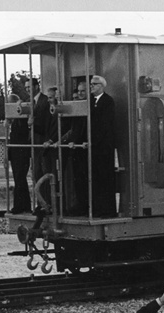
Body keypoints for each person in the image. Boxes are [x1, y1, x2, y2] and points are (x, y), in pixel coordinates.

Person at [89, 75, 117, 218]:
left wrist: (94, 140)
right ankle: (98, 208)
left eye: (94, 84)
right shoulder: (91, 102)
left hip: (104, 147)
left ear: (101, 86)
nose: (91, 86)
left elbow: (105, 125)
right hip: (94, 147)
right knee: (96, 178)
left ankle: (109, 210)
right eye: (91, 84)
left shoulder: (107, 101)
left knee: (105, 178)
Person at [26, 78, 55, 214]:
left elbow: (45, 125)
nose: (27, 90)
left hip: (42, 143)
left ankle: (46, 204)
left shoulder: (44, 101)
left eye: (29, 87)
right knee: (37, 174)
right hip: (35, 144)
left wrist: (32, 125)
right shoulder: (32, 103)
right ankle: (41, 204)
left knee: (43, 174)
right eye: (25, 88)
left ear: (37, 86)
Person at [62, 81, 89, 216]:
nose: (79, 94)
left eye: (82, 91)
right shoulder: (78, 108)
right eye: (78, 91)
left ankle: (85, 206)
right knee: (78, 179)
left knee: (84, 178)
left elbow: (84, 129)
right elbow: (74, 129)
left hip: (85, 148)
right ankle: (80, 205)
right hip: (77, 148)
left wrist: (80, 141)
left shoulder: (88, 107)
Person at [5, 93, 31, 214]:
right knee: (19, 179)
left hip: (21, 150)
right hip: (15, 151)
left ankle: (19, 206)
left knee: (20, 178)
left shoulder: (21, 118)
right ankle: (25, 205)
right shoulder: (13, 120)